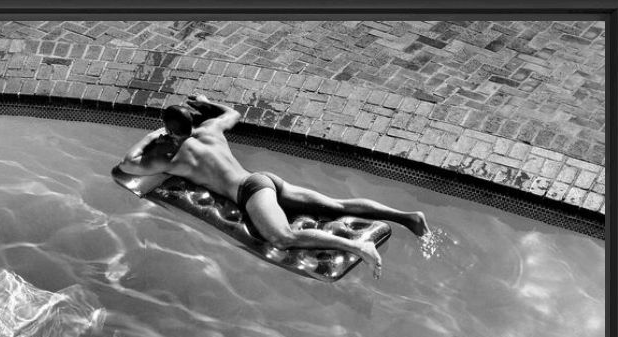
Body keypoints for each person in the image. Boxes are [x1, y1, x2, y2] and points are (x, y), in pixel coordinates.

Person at [118, 95, 430, 278]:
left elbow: (128, 163)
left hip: (249, 194)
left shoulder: (174, 158)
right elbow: (234, 113)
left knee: (283, 237)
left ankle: (357, 246)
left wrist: (150, 136)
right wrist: (206, 103)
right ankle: (408, 217)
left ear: (171, 132)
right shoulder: (211, 129)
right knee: (335, 205)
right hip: (264, 180)